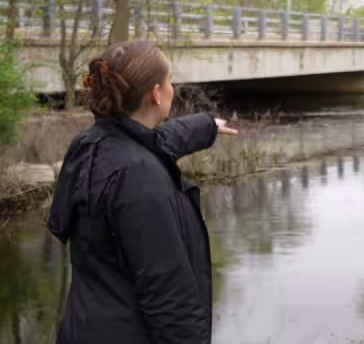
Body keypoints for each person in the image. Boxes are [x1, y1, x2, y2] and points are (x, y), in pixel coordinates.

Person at [47, 40, 238, 344]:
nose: (173, 88)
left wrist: (206, 126)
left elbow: (157, 140)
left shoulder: (89, 144)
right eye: (170, 81)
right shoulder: (139, 178)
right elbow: (169, 299)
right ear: (156, 93)